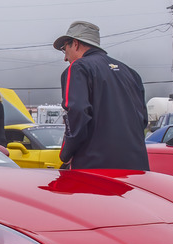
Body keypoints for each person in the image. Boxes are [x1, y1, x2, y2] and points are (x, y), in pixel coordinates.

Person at [54, 21, 149, 170]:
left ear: (76, 44)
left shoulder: (79, 68)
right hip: (136, 168)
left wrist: (65, 154)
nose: (65, 58)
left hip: (96, 169)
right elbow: (142, 120)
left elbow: (77, 112)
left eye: (64, 48)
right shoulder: (131, 73)